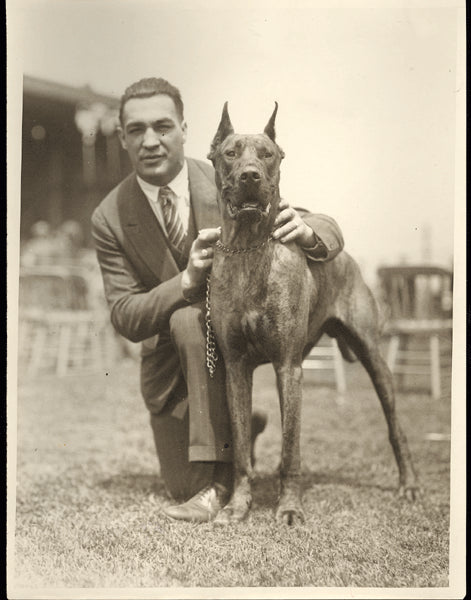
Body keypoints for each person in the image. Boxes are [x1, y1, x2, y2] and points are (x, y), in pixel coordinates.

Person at [91, 77, 344, 522]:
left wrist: (311, 233)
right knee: (182, 485)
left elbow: (308, 214)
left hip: (230, 340)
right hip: (173, 372)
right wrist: (185, 281)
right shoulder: (109, 217)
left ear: (185, 130)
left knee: (211, 486)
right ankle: (242, 428)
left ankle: (228, 461)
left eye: (163, 126)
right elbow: (124, 314)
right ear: (122, 136)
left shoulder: (226, 168)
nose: (150, 140)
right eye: (137, 130)